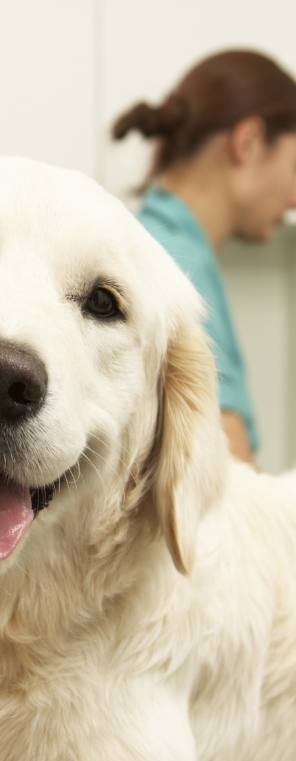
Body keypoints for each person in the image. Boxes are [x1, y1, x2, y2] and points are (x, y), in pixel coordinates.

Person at [113, 48, 296, 761]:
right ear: (249, 141)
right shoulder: (164, 264)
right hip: (170, 654)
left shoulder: (165, 247)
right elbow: (215, 489)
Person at [114, 48, 296, 465]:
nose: (294, 198)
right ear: (248, 142)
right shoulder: (180, 269)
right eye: (295, 168)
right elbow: (228, 478)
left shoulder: (155, 243)